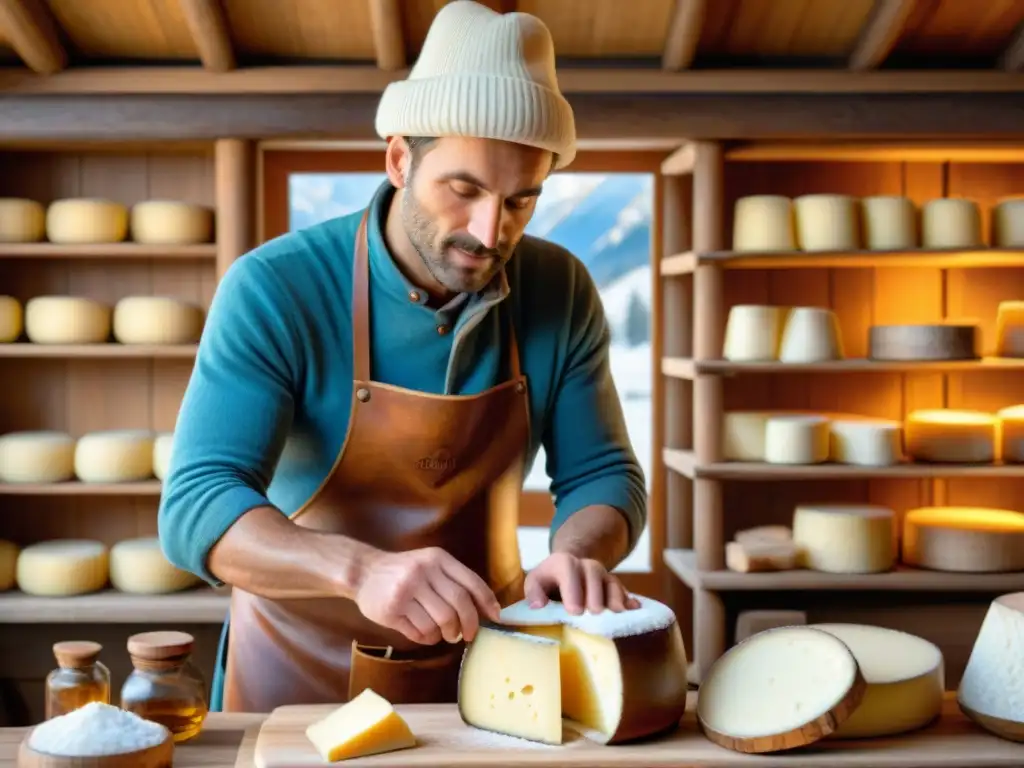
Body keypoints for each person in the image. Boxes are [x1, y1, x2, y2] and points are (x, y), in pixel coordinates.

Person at [157, 0, 646, 714]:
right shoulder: (276, 287)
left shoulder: (559, 288)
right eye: (465, 189)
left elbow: (603, 473)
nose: (490, 230)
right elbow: (197, 507)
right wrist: (359, 570)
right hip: (294, 683)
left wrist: (579, 555)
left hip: (494, 670)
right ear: (398, 158)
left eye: (520, 201)